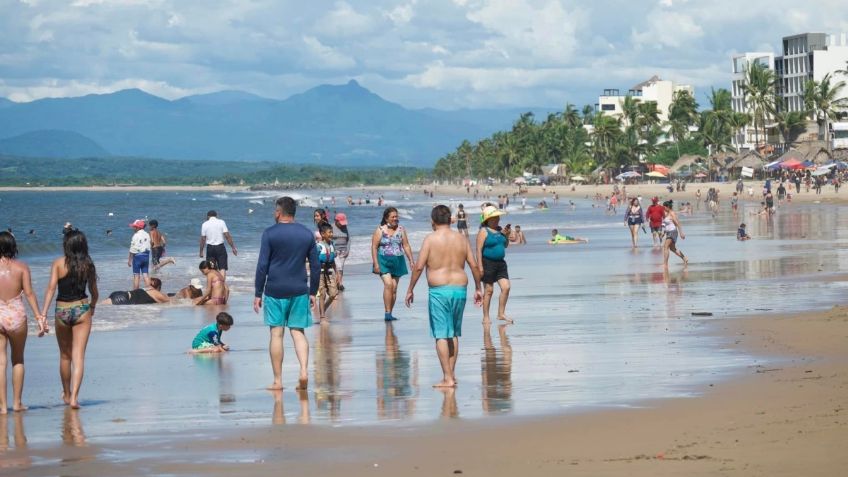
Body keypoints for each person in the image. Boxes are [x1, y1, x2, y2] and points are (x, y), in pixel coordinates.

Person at [404, 205, 483, 388]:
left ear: (433, 222)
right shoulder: (461, 239)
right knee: (453, 333)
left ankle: (447, 378)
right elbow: (473, 265)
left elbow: (418, 267)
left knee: (441, 334)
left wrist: (410, 289)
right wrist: (478, 288)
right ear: (451, 220)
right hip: (460, 289)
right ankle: (451, 375)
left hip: (439, 290)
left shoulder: (430, 239)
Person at [254, 197, 320, 391]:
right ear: (294, 213)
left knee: (276, 334)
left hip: (275, 290)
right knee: (298, 332)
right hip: (299, 289)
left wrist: (258, 292)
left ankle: (278, 381)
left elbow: (262, 266)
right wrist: (313, 292)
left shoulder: (269, 234)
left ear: (278, 212)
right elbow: (315, 266)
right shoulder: (306, 234)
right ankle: (304, 371)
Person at [41, 229, 98, 409]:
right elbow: (94, 293)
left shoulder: (58, 263)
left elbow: (51, 289)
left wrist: (43, 314)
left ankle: (66, 395)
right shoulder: (88, 264)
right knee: (78, 357)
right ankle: (74, 398)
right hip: (82, 309)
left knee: (65, 357)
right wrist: (93, 306)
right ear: (83, 245)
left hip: (62, 310)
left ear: (67, 245)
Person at [0, 232, 47, 413]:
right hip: (16, 315)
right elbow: (29, 294)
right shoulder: (21, 267)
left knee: (0, 362)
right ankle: (17, 403)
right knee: (17, 359)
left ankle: (2, 407)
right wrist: (39, 318)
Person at [371, 207, 415, 322]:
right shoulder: (380, 230)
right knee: (389, 285)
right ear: (386, 218)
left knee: (394, 288)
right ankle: (387, 313)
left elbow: (406, 245)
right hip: (383, 261)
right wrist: (375, 263)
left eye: (396, 216)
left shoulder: (401, 229)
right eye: (393, 217)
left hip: (398, 261)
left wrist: (411, 260)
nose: (396, 218)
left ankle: (390, 312)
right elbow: (374, 247)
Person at [476, 205, 512, 324]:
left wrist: (506, 235)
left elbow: (505, 245)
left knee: (506, 287)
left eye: (498, 217)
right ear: (488, 219)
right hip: (488, 263)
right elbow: (478, 250)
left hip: (501, 264)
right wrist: (480, 266)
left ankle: (501, 314)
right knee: (489, 290)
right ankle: (486, 317)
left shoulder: (500, 230)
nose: (497, 219)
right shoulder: (483, 231)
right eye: (494, 217)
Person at [199, 210, 237, 280]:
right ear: (216, 216)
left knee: (212, 268)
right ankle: (222, 285)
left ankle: (215, 286)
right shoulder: (221, 222)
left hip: (210, 248)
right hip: (220, 247)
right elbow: (227, 235)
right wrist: (233, 247)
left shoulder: (204, 224)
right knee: (222, 267)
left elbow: (203, 239)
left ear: (208, 216)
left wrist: (201, 251)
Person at [315, 222, 339, 323]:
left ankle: (323, 309)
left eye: (332, 232)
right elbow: (312, 260)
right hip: (319, 272)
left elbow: (333, 260)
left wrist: (337, 273)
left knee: (333, 294)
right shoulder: (318, 246)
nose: (331, 234)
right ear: (322, 234)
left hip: (329, 272)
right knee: (322, 294)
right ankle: (322, 317)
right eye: (329, 232)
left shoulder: (332, 245)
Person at [101, 277, 170, 305]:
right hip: (123, 298)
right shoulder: (155, 292)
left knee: (99, 306)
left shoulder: (145, 289)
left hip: (119, 294)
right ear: (158, 287)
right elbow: (169, 301)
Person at [661, 200, 687, 268]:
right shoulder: (667, 213)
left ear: (668, 207)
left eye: (664, 207)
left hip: (672, 232)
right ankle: (684, 259)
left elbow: (677, 223)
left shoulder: (672, 213)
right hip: (669, 232)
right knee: (672, 248)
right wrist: (664, 232)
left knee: (665, 247)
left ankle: (665, 264)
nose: (664, 209)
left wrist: (681, 233)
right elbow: (666, 224)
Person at [127, 219, 151, 290]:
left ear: (138, 227)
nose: (133, 228)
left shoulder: (135, 235)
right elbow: (150, 245)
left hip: (137, 257)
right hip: (146, 256)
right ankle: (150, 291)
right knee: (145, 274)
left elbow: (132, 249)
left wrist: (129, 260)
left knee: (136, 276)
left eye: (134, 227)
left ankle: (135, 293)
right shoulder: (147, 234)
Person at [332, 213, 350, 291]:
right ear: (336, 221)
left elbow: (349, 239)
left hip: (344, 251)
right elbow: (329, 239)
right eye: (341, 222)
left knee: (341, 268)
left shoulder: (345, 227)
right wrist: (332, 250)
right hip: (335, 251)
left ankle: (339, 283)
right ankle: (339, 284)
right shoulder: (331, 227)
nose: (342, 224)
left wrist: (348, 250)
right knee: (338, 267)